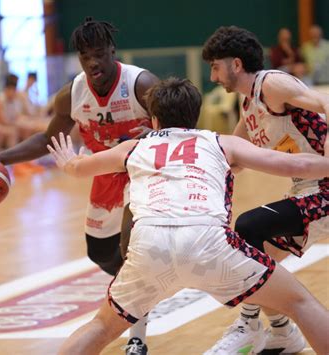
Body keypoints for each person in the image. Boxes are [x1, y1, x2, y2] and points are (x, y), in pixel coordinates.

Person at [47, 77, 329, 355]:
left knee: (101, 327)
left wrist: (68, 161)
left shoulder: (134, 147)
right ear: (195, 116)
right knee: (299, 302)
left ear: (154, 120)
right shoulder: (222, 143)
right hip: (208, 241)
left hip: (149, 245)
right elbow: (298, 164)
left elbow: (80, 168)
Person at [0, 17, 159, 353]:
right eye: (86, 56)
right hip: (102, 173)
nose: (93, 62)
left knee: (129, 248)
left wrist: (156, 133)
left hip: (142, 173)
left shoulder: (141, 83)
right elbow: (47, 140)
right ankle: (141, 288)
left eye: (99, 54)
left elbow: (180, 123)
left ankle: (137, 337)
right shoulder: (72, 95)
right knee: (100, 253)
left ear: (112, 51)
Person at [202, 25, 329, 354]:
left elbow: (325, 104)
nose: (213, 76)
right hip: (307, 188)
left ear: (236, 65)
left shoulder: (272, 84)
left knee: (249, 227)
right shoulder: (248, 106)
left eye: (215, 66)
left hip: (325, 187)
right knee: (259, 261)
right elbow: (233, 160)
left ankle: (247, 323)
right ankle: (283, 331)